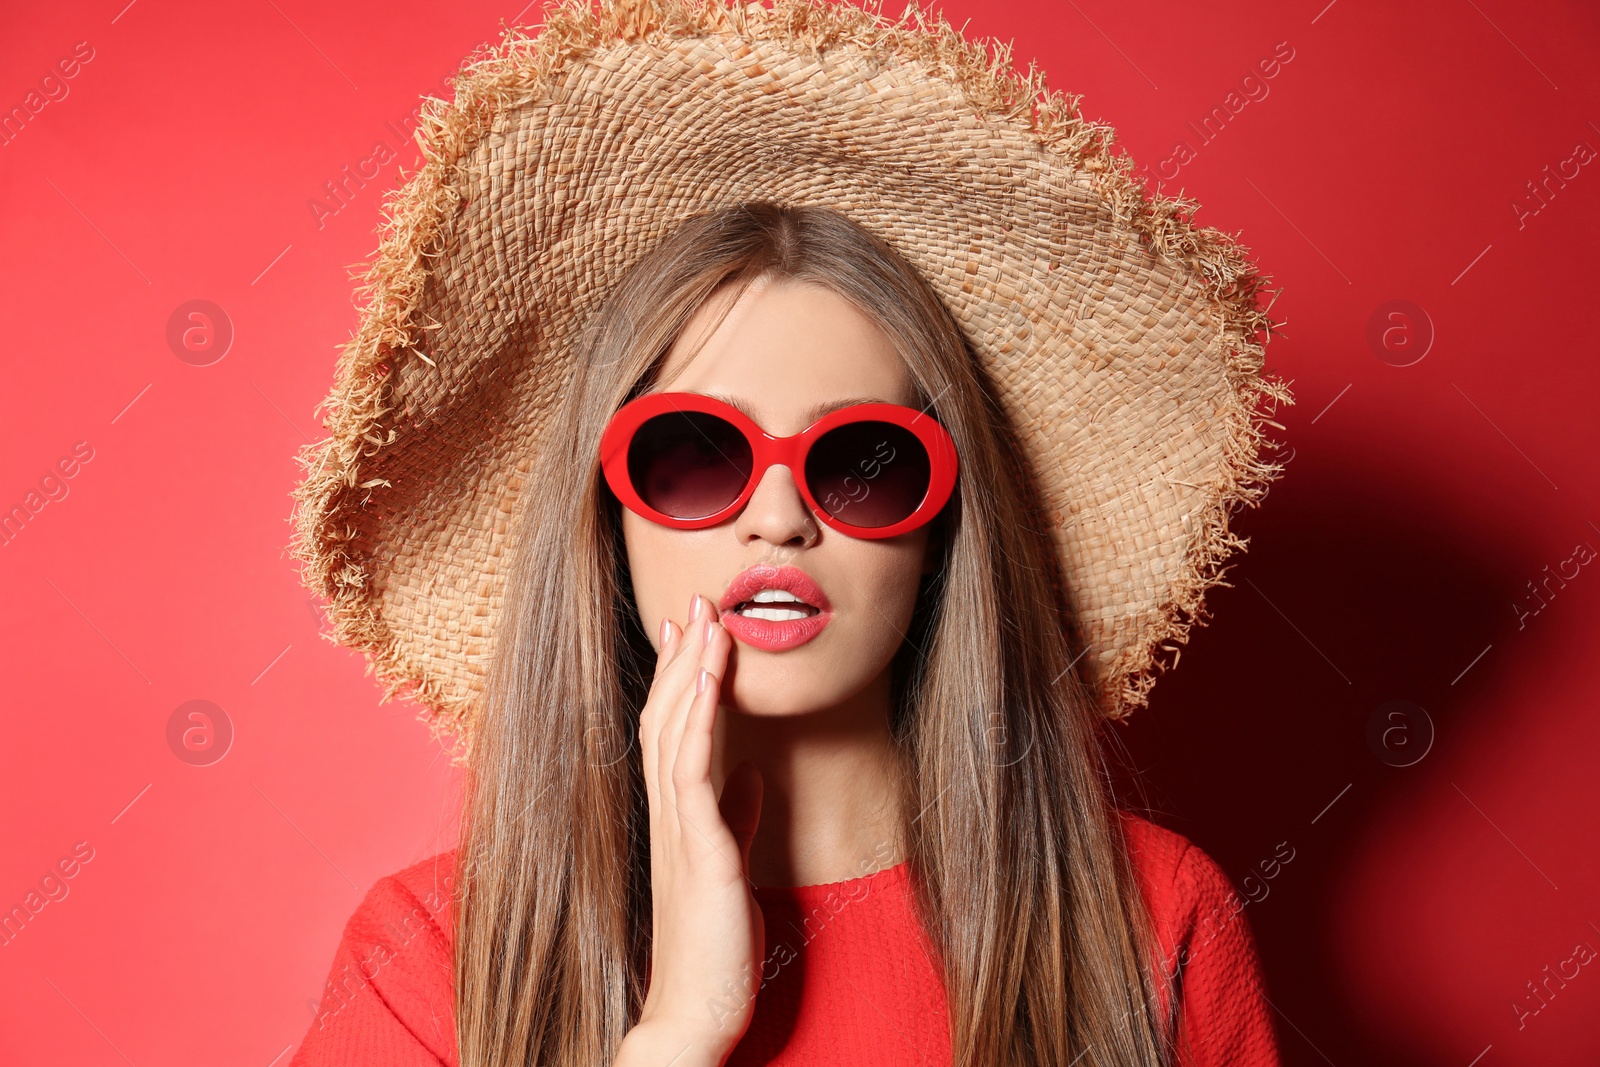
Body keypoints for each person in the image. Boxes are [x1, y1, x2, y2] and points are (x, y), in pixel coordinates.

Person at [286, 3, 1294, 1066]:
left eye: (864, 463)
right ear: (605, 516)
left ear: (943, 529)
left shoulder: (1149, 919)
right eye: (696, 455)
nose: (778, 515)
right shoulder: (426, 956)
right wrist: (678, 1027)